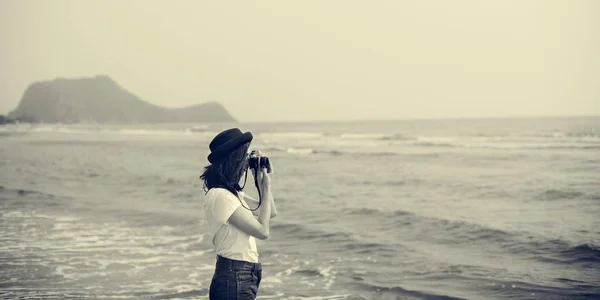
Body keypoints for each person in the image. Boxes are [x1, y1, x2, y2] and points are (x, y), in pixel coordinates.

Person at [200, 128, 277, 300]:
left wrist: (260, 179)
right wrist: (266, 187)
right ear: (235, 159)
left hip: (243, 275)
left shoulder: (233, 194)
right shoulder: (220, 196)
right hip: (234, 275)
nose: (247, 163)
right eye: (245, 157)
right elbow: (262, 231)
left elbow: (270, 211)